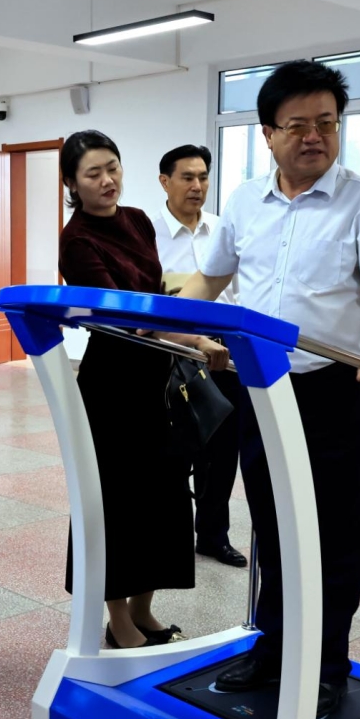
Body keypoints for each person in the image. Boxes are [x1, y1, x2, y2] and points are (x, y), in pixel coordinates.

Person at [178, 60, 360, 718]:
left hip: (336, 388)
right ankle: (274, 645)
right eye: (298, 125)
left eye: (326, 124)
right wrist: (179, 323)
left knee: (337, 532)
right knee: (273, 522)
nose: (314, 137)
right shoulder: (244, 203)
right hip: (262, 388)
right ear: (267, 133)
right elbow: (211, 279)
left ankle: (326, 662)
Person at [58, 130, 229, 651]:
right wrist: (194, 339)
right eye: (93, 173)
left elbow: (155, 295)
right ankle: (118, 619)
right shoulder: (76, 240)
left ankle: (144, 609)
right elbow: (129, 317)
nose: (107, 180)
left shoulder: (136, 220)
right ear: (71, 184)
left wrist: (190, 337)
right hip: (113, 385)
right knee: (117, 502)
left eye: (112, 167)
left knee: (164, 495)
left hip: (158, 376)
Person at [151, 144, 246, 569]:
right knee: (176, 446)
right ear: (165, 182)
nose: (197, 186)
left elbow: (238, 292)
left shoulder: (222, 229)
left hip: (223, 351)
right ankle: (168, 535)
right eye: (187, 177)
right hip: (170, 350)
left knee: (223, 448)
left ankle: (212, 535)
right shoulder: (148, 233)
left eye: (203, 177)